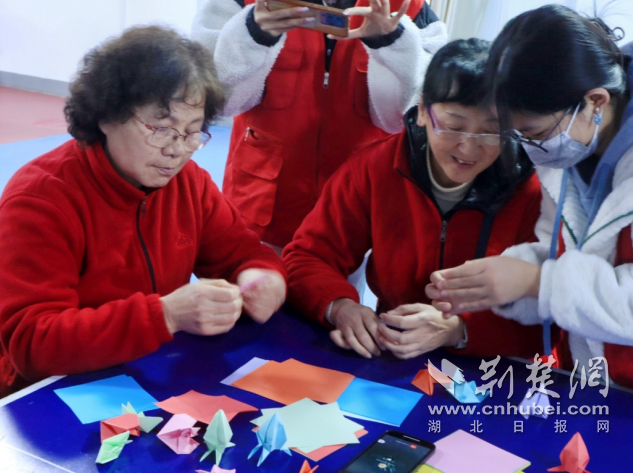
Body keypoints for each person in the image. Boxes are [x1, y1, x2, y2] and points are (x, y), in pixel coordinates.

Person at [0, 26, 286, 397]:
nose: (176, 149)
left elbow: (242, 253)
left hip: (146, 374)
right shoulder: (41, 198)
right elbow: (32, 343)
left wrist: (262, 278)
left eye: (192, 132)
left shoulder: (188, 183)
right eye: (161, 128)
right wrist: (165, 315)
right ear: (106, 116)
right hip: (52, 393)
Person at [282, 38, 544, 360]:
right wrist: (340, 306)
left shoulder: (533, 191)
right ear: (422, 110)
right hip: (393, 349)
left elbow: (552, 313)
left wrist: (459, 329)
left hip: (494, 364)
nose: (468, 148)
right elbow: (307, 256)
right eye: (453, 126)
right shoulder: (377, 167)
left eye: (492, 132)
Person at [426, 5, 633, 386]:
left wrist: (537, 281)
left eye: (535, 133)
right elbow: (561, 250)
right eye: (516, 133)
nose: (530, 148)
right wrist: (499, 277)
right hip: (591, 376)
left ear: (595, 101)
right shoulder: (569, 143)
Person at [192, 0, 447, 252]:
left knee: (338, 274)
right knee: (252, 273)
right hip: (260, 199)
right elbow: (215, 102)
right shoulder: (239, 3)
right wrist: (252, 33)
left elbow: (411, 117)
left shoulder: (407, 8)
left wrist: (392, 43)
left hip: (354, 205)